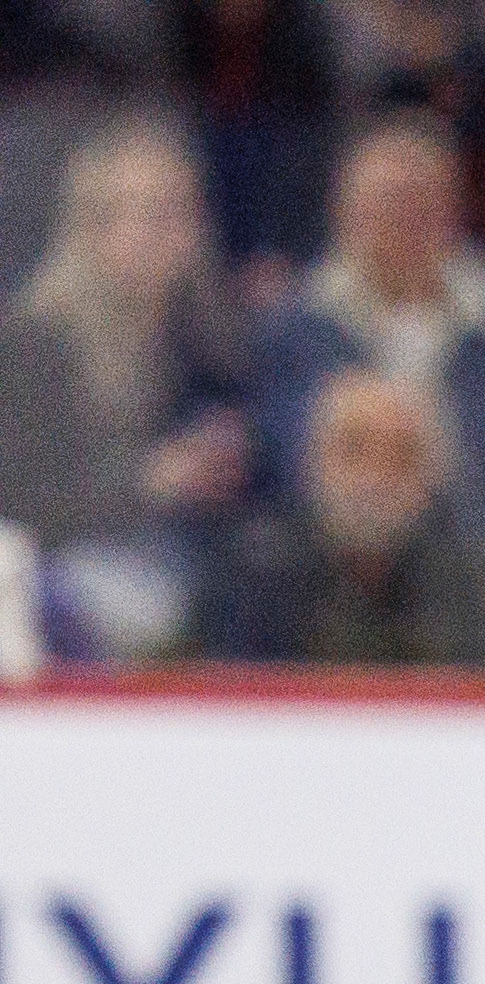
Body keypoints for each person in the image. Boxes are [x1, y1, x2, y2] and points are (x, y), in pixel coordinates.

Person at [247, 115, 485, 564]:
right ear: (343, 212)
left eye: (421, 203)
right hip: (336, 577)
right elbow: (286, 474)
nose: (403, 221)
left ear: (454, 210)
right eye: (385, 203)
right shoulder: (291, 330)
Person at [0, 112, 256, 661]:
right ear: (91, 226)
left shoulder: (205, 336)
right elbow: (25, 495)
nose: (166, 235)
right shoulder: (34, 338)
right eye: (147, 214)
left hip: (184, 558)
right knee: (146, 605)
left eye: (178, 212)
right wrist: (149, 481)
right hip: (63, 570)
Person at [198, 363, 485, 666]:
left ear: (431, 478)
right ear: (314, 459)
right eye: (353, 449)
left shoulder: (458, 576)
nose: (376, 477)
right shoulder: (261, 567)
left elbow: (480, 698)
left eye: (401, 454)